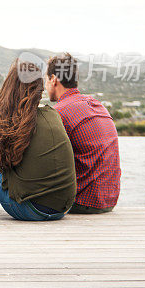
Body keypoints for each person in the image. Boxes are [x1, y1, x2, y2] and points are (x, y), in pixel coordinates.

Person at [0, 59, 77, 221]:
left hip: (27, 209)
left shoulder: (2, 117)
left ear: (9, 87)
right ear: (39, 88)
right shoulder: (53, 114)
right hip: (62, 208)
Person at [46, 53, 121, 214]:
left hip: (82, 202)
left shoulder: (59, 112)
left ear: (53, 79)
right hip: (109, 200)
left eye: (46, 80)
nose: (46, 86)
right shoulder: (97, 105)